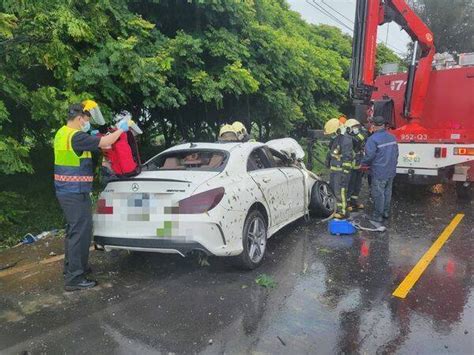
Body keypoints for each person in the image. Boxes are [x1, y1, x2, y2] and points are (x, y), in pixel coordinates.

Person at [54, 101, 129, 291]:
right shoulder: (76, 136)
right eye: (85, 120)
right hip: (74, 191)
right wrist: (121, 129)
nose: (86, 124)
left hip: (68, 190)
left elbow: (90, 145)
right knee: (80, 232)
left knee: (75, 231)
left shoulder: (63, 133)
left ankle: (73, 269)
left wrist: (94, 137)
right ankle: (74, 279)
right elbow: (107, 143)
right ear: (80, 118)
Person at [361, 115, 399, 230]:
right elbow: (396, 154)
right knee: (387, 192)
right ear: (383, 125)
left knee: (379, 193)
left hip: (379, 171)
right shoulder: (392, 137)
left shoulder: (373, 139)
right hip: (391, 170)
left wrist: (362, 163)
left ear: (374, 126)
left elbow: (369, 156)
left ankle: (377, 216)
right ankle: (386, 213)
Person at [324, 118, 354, 219]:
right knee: (334, 191)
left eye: (332, 133)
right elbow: (331, 152)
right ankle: (337, 209)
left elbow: (347, 158)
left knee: (340, 192)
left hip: (341, 171)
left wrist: (345, 173)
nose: (330, 135)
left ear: (337, 130)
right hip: (334, 171)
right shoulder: (336, 139)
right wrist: (328, 162)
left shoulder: (346, 140)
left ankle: (343, 212)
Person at [345, 119, 368, 211]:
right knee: (350, 184)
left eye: (357, 127)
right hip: (350, 165)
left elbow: (363, 138)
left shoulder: (360, 133)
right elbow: (356, 141)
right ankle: (347, 203)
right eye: (354, 127)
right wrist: (354, 134)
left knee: (357, 185)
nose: (356, 128)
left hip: (359, 163)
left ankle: (354, 201)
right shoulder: (346, 136)